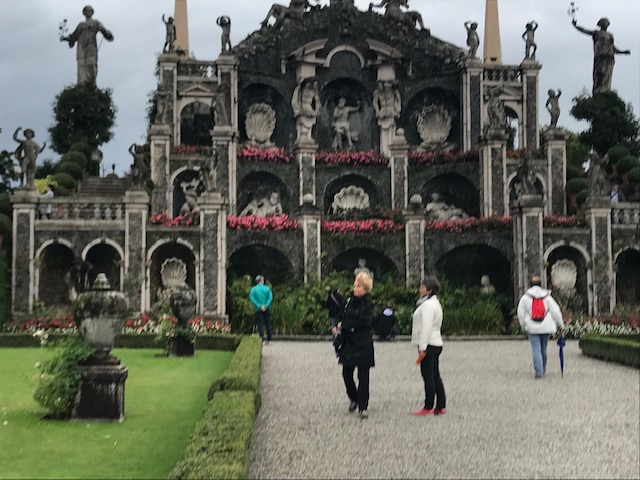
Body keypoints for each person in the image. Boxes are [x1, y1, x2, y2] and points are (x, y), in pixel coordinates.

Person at [337, 272, 375, 419]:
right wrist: (343, 324)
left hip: (363, 343)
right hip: (349, 342)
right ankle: (354, 397)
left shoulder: (369, 304)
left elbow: (364, 321)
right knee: (346, 373)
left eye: (358, 286)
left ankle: (363, 407)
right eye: (355, 286)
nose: (355, 288)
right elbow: (344, 316)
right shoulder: (349, 302)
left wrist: (346, 323)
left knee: (363, 376)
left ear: (365, 288)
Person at [517, 275, 564, 379]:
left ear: (530, 285)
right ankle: (543, 367)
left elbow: (520, 313)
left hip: (532, 327)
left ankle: (539, 372)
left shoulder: (525, 298)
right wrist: (560, 324)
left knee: (536, 349)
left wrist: (523, 325)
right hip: (546, 326)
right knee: (543, 348)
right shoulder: (547, 297)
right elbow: (556, 311)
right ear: (541, 284)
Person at [411, 276, 446, 416]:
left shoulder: (427, 306)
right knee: (435, 375)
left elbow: (426, 326)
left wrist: (422, 347)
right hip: (436, 341)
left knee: (428, 376)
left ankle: (428, 405)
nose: (420, 289)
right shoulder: (435, 303)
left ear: (429, 290)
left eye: (422, 287)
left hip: (429, 343)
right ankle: (440, 405)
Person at [572, 17, 630, 94]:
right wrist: (576, 26)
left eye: (607, 22)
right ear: (601, 24)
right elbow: (585, 31)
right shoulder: (596, 33)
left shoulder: (610, 35)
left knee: (607, 76)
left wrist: (623, 52)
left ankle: (605, 91)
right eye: (604, 22)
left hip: (609, 57)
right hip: (600, 56)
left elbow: (612, 47)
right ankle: (598, 91)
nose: (606, 24)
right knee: (600, 73)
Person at [60, 5, 114, 85]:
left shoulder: (96, 22)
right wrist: (65, 38)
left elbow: (104, 31)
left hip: (91, 45)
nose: (87, 12)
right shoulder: (81, 25)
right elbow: (74, 36)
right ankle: (82, 83)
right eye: (85, 11)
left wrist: (107, 34)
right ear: (84, 13)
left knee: (91, 63)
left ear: (92, 12)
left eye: (89, 10)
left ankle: (92, 83)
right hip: (81, 46)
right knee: (81, 64)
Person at [250, 275, 273, 345]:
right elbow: (270, 297)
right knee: (268, 323)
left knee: (260, 324)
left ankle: (262, 340)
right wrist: (266, 305)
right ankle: (269, 340)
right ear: (261, 281)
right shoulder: (267, 288)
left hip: (258, 309)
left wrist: (259, 306)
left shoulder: (253, 289)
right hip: (267, 308)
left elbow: (252, 299)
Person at [327, 286, 345, 356]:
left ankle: (335, 343)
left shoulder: (330, 297)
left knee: (333, 329)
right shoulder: (339, 297)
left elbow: (327, 305)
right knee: (339, 329)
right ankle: (339, 343)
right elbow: (343, 305)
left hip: (332, 315)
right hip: (339, 315)